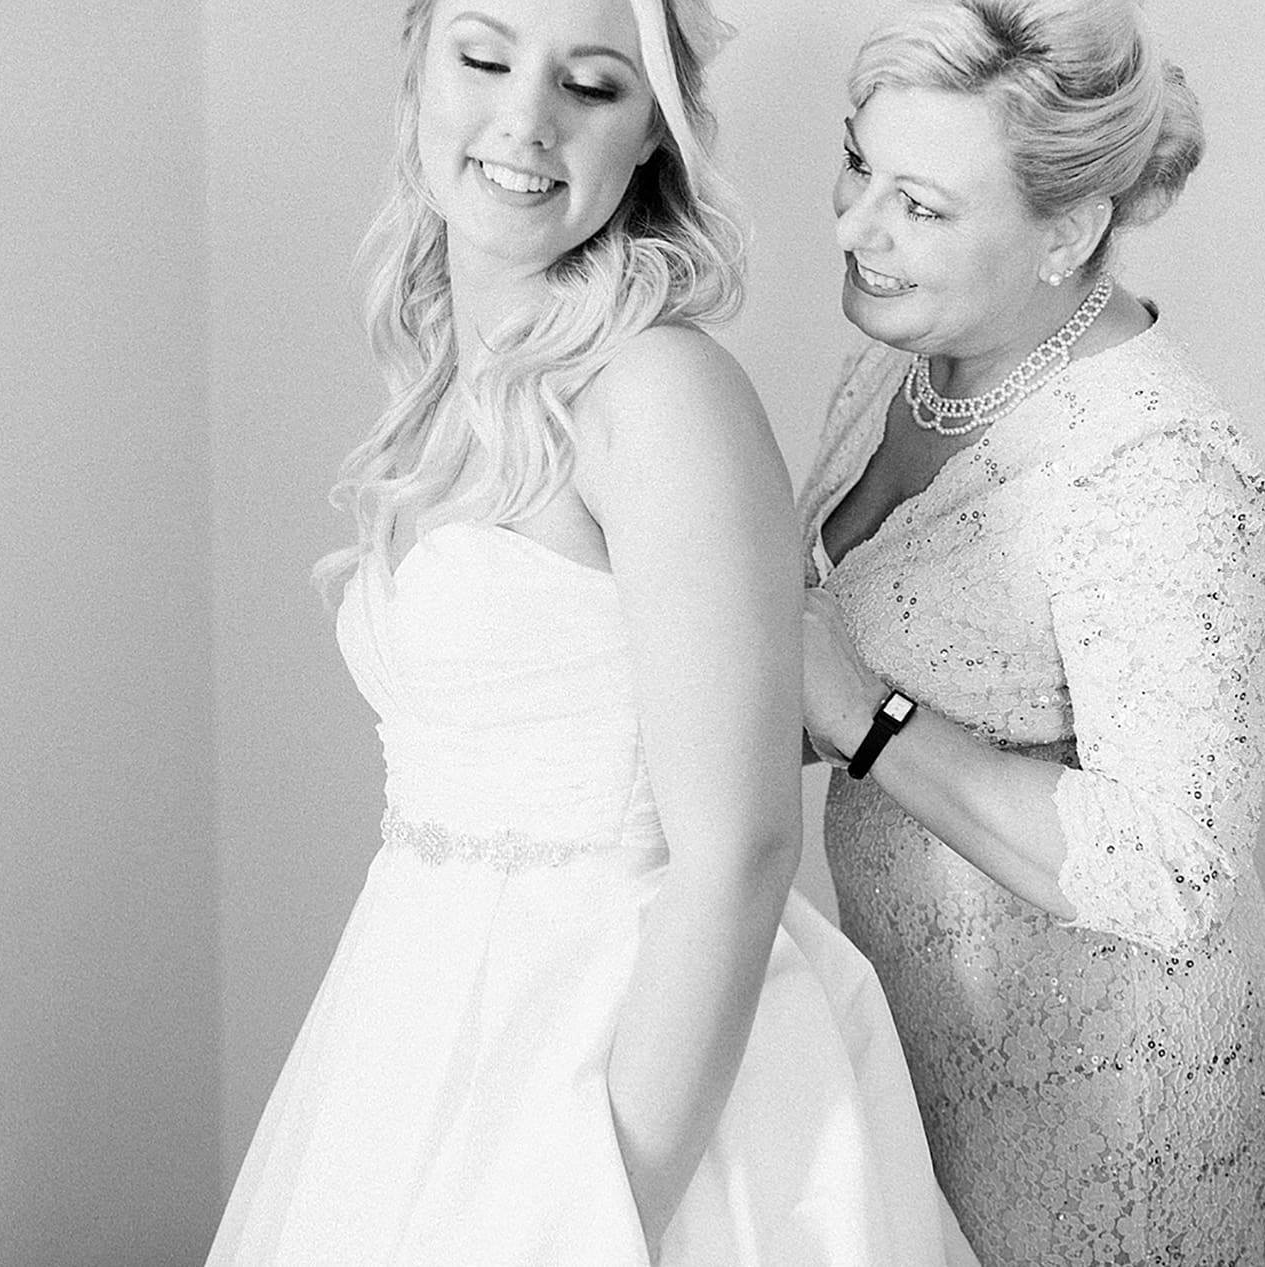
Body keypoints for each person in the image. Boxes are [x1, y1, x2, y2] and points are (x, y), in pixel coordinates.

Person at [208, 0, 974, 1263]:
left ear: (650, 144)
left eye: (594, 85)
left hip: (624, 1066)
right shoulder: (456, 385)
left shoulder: (659, 393)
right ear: (417, 74)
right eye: (483, 55)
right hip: (417, 1022)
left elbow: (738, 851)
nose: (526, 120)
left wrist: (599, 1204)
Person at [797, 1, 1265, 1263]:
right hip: (924, 1028)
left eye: (921, 206)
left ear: (1065, 232)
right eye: (859, 165)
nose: (859, 230)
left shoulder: (1156, 465)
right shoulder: (897, 367)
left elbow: (1170, 866)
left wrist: (858, 715)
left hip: (1108, 1099)